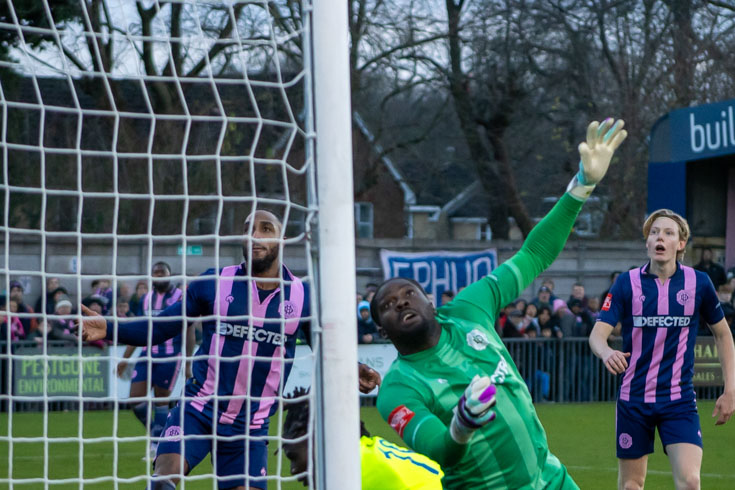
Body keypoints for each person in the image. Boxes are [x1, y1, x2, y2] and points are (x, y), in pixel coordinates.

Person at [371, 118, 627, 488]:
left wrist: (582, 186)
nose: (400, 303)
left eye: (408, 293)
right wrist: (461, 424)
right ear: (381, 330)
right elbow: (440, 450)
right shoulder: (397, 387)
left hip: (552, 480)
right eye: (387, 305)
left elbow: (535, 253)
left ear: (429, 300)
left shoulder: (469, 307)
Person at [81, 210, 380, 490]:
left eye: (266, 229)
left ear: (282, 238)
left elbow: (326, 349)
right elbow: (162, 327)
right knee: (163, 481)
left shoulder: (303, 296)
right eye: (249, 229)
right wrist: (109, 328)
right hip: (198, 410)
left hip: (251, 426)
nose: (255, 236)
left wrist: (353, 369)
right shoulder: (214, 282)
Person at [589, 209, 735, 490]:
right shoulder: (626, 282)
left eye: (668, 233)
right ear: (647, 242)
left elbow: (723, 335)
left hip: (678, 400)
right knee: (632, 485)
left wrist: (730, 391)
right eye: (654, 232)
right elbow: (597, 335)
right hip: (634, 399)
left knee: (691, 482)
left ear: (681, 244)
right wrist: (606, 352)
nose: (660, 237)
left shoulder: (699, 283)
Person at [282, 387, 444, 489]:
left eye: (293, 457)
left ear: (319, 439)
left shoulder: (348, 473)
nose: (293, 469)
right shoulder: (366, 450)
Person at [115, 261, 191, 459]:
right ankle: (158, 435)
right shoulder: (146, 298)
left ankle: (157, 445)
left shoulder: (179, 297)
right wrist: (125, 359)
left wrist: (189, 361)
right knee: (135, 398)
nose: (158, 276)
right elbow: (140, 328)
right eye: (155, 273)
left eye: (161, 273)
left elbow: (189, 329)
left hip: (170, 355)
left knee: (161, 401)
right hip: (147, 354)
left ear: (169, 274)